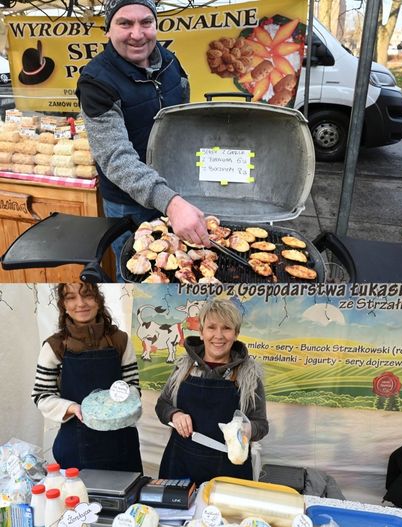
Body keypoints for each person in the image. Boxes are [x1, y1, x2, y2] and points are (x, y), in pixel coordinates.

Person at [77, 0, 211, 264]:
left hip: (175, 191)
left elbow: (182, 118)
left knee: (181, 267)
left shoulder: (170, 61)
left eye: (146, 22)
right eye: (125, 23)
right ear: (108, 29)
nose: (137, 34)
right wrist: (170, 202)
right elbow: (116, 157)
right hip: (129, 206)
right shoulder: (97, 82)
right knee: (140, 280)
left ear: (156, 26)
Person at [31, 284, 142, 472]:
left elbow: (133, 386)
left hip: (122, 444)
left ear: (98, 300)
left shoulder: (119, 340)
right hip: (75, 443)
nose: (80, 304)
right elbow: (41, 395)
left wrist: (119, 405)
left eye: (87, 295)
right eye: (71, 298)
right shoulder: (55, 346)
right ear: (63, 305)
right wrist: (73, 408)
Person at [156, 297, 267, 484]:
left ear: (236, 333)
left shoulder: (249, 375)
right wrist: (174, 414)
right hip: (180, 463)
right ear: (201, 332)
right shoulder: (184, 367)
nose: (219, 335)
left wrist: (247, 429)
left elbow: (262, 424)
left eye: (226, 328)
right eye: (211, 327)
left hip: (230, 470)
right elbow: (162, 405)